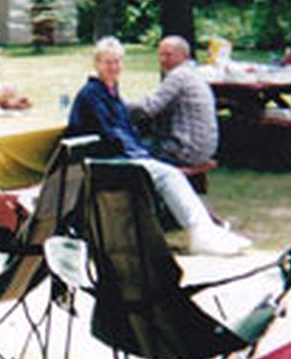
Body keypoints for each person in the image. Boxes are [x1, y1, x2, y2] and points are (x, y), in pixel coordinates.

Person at [66, 37, 250, 255]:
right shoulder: (92, 94)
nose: (114, 67)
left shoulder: (111, 92)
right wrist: (140, 155)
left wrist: (140, 152)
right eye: (108, 62)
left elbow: (127, 130)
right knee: (167, 173)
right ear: (97, 64)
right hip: (102, 161)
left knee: (168, 172)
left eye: (117, 62)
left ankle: (206, 229)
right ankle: (202, 232)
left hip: (121, 155)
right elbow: (110, 136)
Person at [128, 35, 217, 167]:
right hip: (204, 149)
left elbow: (149, 108)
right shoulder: (193, 73)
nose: (162, 60)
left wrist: (117, 105)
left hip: (187, 151)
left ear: (184, 56)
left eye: (168, 55)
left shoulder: (179, 75)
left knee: (130, 149)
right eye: (160, 55)